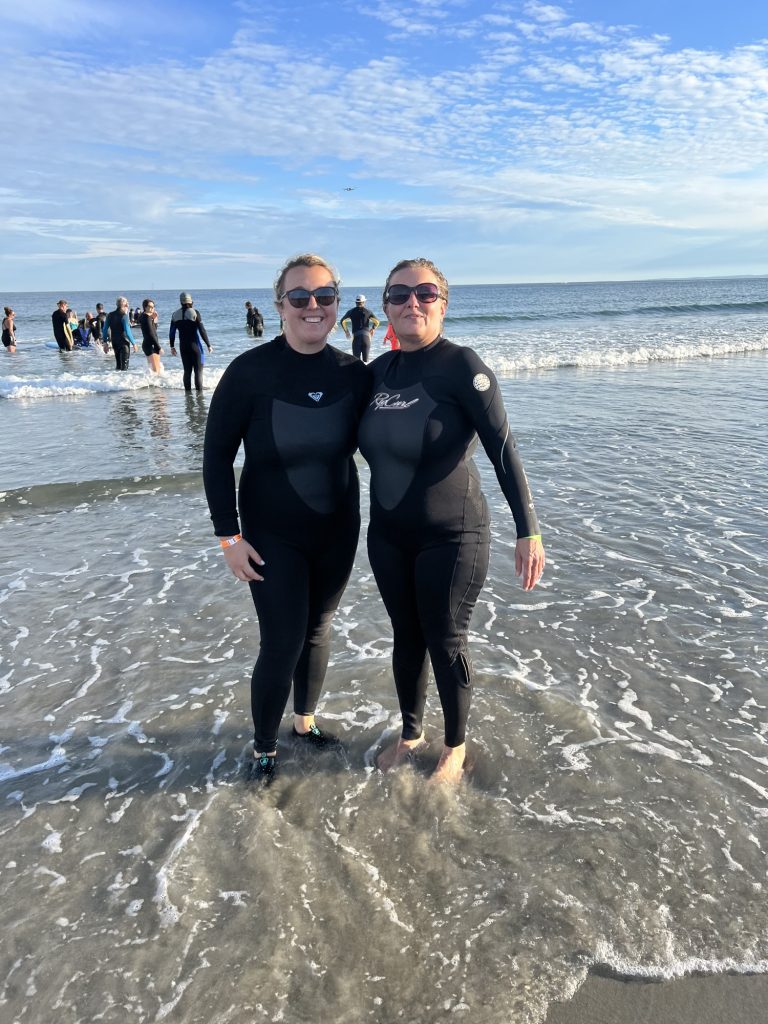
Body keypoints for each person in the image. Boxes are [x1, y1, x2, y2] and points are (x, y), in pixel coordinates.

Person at [358, 258, 545, 785]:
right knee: (405, 637)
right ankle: (411, 733)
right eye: (398, 294)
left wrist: (528, 529)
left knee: (446, 637)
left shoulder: (461, 364)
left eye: (425, 292)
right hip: (388, 534)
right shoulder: (376, 374)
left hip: (453, 532)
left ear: (443, 302)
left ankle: (455, 747)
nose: (411, 302)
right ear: (385, 308)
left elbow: (504, 448)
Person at [202, 254, 371, 782]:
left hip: (338, 527)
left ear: (337, 306)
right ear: (280, 306)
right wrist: (228, 538)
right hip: (272, 532)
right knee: (283, 639)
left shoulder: (352, 374)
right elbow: (214, 458)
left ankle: (304, 724)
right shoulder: (250, 372)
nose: (312, 307)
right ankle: (264, 748)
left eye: (323, 297)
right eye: (299, 297)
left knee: (318, 629)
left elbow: (396, 438)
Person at [169, 292, 212, 392]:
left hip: (183, 347)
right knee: (198, 372)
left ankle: (187, 397)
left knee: (187, 371)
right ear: (191, 301)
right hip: (195, 346)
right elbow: (202, 330)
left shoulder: (175, 314)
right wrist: (208, 344)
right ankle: (199, 396)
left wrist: (172, 346)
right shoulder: (195, 312)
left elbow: (172, 332)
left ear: (181, 302)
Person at [341, 294, 380, 363]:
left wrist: (346, 331)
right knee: (366, 362)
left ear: (356, 302)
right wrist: (373, 328)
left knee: (356, 362)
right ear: (364, 302)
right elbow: (377, 321)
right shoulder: (368, 312)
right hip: (366, 338)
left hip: (356, 338)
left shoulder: (351, 312)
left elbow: (342, 321)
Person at [103, 296, 138, 370]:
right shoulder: (124, 316)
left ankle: (116, 380)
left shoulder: (110, 315)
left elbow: (105, 329)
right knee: (124, 367)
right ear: (125, 305)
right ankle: (122, 380)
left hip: (115, 342)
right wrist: (134, 343)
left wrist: (105, 342)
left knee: (118, 365)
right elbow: (127, 332)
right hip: (124, 343)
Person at [138, 298, 163, 373]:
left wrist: (154, 319)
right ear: (145, 307)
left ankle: (151, 383)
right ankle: (152, 384)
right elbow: (151, 334)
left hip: (150, 344)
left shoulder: (144, 316)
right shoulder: (147, 317)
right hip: (150, 345)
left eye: (153, 306)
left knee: (154, 370)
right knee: (156, 371)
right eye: (150, 306)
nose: (152, 308)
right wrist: (159, 347)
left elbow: (154, 329)